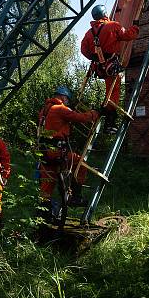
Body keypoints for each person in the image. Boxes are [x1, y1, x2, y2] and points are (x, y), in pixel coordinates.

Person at [37, 87, 99, 225]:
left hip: (45, 154)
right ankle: (75, 196)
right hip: (57, 152)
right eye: (67, 100)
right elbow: (81, 118)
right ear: (64, 98)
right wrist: (95, 113)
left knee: (47, 186)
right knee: (80, 163)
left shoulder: (44, 110)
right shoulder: (60, 109)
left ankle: (42, 217)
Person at [80, 4, 139, 133]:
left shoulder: (89, 33)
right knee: (114, 91)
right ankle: (109, 122)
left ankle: (106, 115)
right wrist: (135, 26)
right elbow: (128, 35)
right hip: (110, 66)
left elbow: (83, 50)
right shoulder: (113, 26)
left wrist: (95, 57)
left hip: (99, 68)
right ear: (105, 14)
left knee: (110, 91)